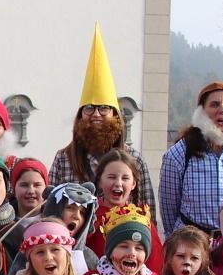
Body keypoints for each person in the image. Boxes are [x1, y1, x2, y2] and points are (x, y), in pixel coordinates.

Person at [47, 24, 157, 216]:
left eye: (103, 108)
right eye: (89, 108)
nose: (96, 114)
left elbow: (148, 213)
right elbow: (50, 208)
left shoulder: (135, 159)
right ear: (80, 115)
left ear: (115, 115)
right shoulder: (64, 159)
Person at [158, 81, 223, 235]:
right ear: (202, 111)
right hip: (192, 245)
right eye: (214, 105)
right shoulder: (179, 153)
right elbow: (169, 210)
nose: (222, 110)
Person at [86, 149, 162, 274]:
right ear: (100, 181)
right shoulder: (86, 216)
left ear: (134, 184)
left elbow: (155, 265)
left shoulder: (141, 220)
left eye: (125, 178)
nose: (118, 183)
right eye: (111, 177)